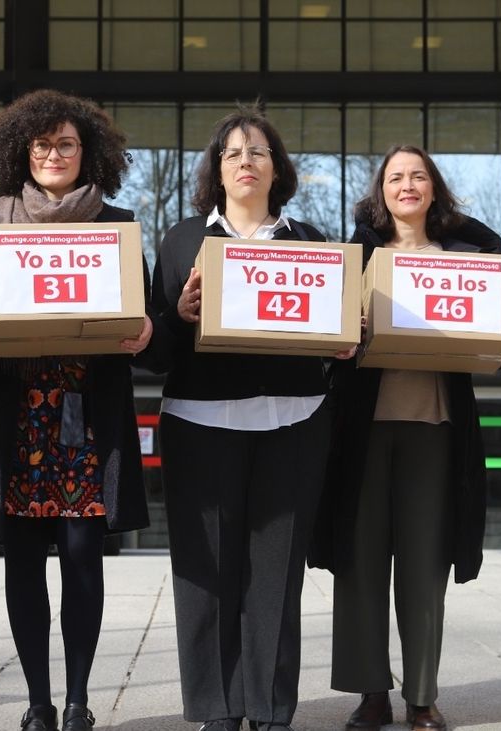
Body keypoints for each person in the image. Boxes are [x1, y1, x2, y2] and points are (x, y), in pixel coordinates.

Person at [0, 89, 155, 731]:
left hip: (86, 422)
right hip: (16, 423)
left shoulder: (119, 227)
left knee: (82, 561)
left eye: (67, 143)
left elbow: (142, 333)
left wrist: (146, 332)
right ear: (22, 153)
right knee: (21, 567)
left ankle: (78, 700)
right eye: (42, 144)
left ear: (87, 151)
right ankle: (37, 701)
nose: (55, 154)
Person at [150, 105, 351, 731]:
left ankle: (269, 708)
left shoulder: (312, 243)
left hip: (294, 422)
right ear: (217, 169)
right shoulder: (182, 240)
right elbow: (155, 354)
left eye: (258, 152)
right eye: (233, 153)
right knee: (208, 576)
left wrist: (347, 343)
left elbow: (336, 346)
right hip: (199, 421)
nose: (245, 162)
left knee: (275, 577)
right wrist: (180, 317)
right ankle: (216, 709)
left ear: (277, 168)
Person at [309, 145, 501, 731]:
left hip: (436, 426)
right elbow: (326, 335)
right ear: (381, 192)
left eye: (419, 175)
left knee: (424, 568)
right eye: (396, 177)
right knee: (361, 564)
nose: (408, 185)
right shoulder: (355, 254)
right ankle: (371, 693)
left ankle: (422, 696)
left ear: (435, 187)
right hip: (363, 428)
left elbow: (498, 311)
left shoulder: (468, 253)